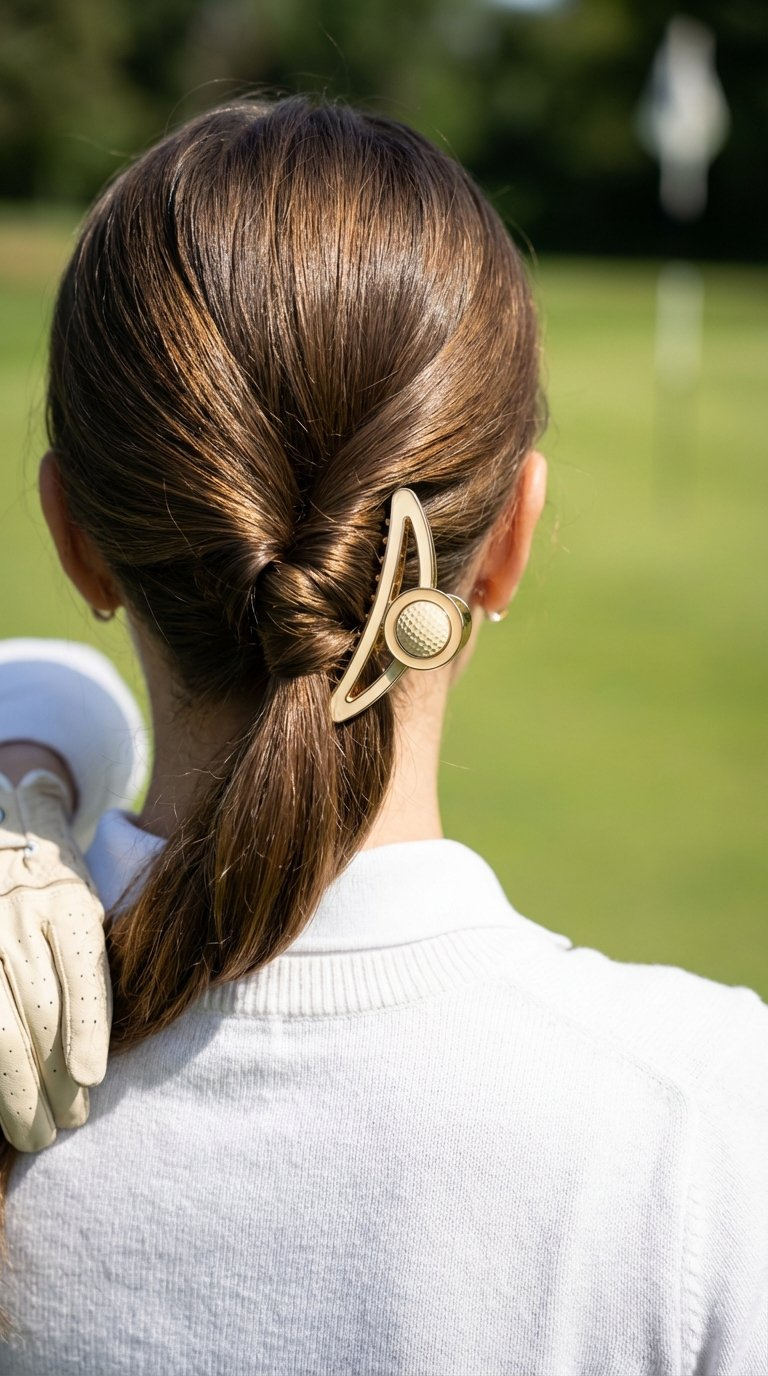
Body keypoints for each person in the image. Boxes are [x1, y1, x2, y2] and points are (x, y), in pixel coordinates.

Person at [0, 96, 765, 1375]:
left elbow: (55, 687)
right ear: (511, 538)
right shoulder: (709, 1129)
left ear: (74, 535)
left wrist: (25, 794)